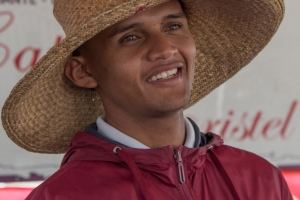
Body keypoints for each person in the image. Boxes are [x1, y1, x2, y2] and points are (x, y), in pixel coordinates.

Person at [1, 0, 293, 199]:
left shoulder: (260, 178)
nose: (165, 49)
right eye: (130, 37)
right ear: (83, 71)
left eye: (173, 26)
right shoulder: (63, 196)